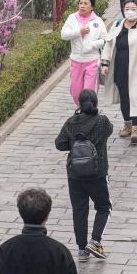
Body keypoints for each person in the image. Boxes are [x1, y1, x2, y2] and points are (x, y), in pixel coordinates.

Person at [54, 90, 113, 263]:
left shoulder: (71, 123)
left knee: (79, 211)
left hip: (75, 174)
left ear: (79, 104)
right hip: (97, 173)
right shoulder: (102, 121)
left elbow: (59, 144)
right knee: (104, 207)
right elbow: (109, 131)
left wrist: (74, 145)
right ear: (95, 103)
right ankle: (95, 241)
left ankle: (81, 250)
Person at [99, 0, 137, 145]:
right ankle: (127, 124)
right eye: (127, 9)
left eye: (133, 9)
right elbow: (109, 44)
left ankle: (135, 130)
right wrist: (105, 63)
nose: (130, 11)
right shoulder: (117, 25)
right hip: (120, 67)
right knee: (125, 97)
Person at [61, 0, 107, 106]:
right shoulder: (72, 18)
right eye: (80, 3)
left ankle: (89, 113)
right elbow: (64, 35)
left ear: (92, 7)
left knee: (89, 94)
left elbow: (105, 39)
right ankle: (81, 110)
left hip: (92, 61)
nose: (82, 6)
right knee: (76, 93)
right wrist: (78, 32)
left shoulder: (98, 21)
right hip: (76, 60)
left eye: (86, 3)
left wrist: (92, 45)